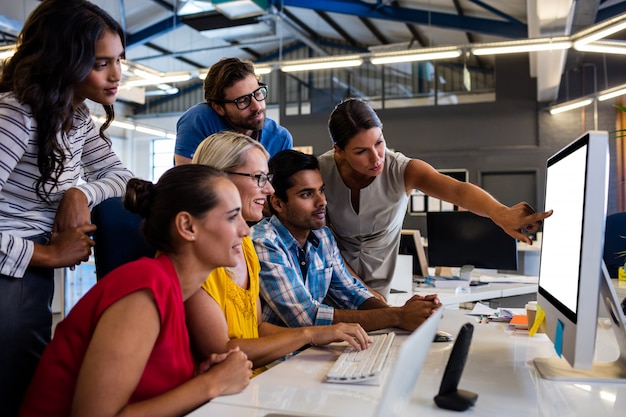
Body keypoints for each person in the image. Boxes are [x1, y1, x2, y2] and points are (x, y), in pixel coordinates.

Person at [20, 164, 253, 417]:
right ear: (187, 226)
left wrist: (200, 379)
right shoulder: (143, 291)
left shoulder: (172, 290)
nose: (245, 229)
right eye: (232, 217)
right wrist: (211, 384)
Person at [0, 1, 134, 414]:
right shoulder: (15, 116)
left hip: (30, 266)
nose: (115, 75)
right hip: (12, 265)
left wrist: (80, 194)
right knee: (16, 386)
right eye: (100, 63)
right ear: (64, 61)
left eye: (119, 61)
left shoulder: (73, 117)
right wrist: (47, 254)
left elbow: (123, 177)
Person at [319, 98, 553, 298]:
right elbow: (324, 244)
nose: (376, 157)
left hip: (378, 292)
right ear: (338, 150)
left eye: (379, 142)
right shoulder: (318, 174)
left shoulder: (402, 170)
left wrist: (500, 213)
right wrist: (361, 295)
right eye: (361, 151)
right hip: (330, 284)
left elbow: (458, 191)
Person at [185, 132, 370, 373]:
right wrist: (310, 334)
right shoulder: (195, 257)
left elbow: (257, 326)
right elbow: (220, 352)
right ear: (219, 180)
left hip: (255, 379)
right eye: (260, 178)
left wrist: (319, 333)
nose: (270, 189)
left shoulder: (246, 247)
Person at [251, 149, 441, 332]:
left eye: (321, 191)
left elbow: (352, 293)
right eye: (307, 194)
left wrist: (404, 313)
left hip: (311, 352)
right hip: (277, 362)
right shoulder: (265, 242)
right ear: (277, 203)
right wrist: (398, 316)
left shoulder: (322, 236)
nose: (322, 202)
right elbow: (306, 317)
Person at [175, 57, 293, 165]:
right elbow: (186, 182)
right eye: (243, 101)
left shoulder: (280, 139)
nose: (257, 107)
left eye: (258, 93)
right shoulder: (199, 121)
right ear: (219, 108)